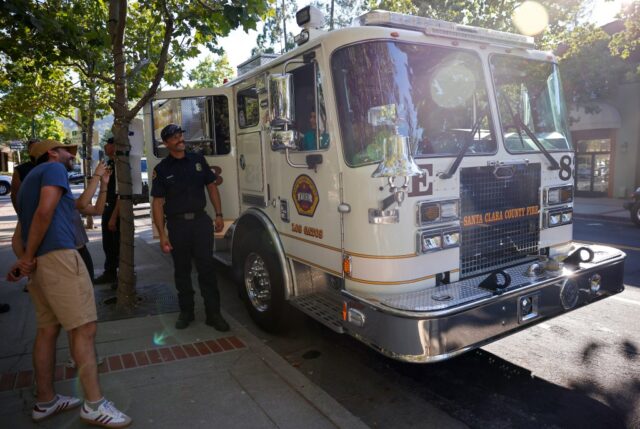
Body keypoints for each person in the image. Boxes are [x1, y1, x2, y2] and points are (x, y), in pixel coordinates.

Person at [7, 140, 131, 427]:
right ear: (52, 154)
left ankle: (46, 399)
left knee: (47, 330)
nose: (72, 156)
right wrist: (26, 259)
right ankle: (95, 404)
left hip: (42, 264)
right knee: (84, 328)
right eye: (68, 151)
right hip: (59, 258)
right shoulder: (52, 170)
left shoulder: (28, 185)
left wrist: (25, 259)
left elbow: (85, 208)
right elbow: (44, 213)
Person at [151, 124, 229, 332]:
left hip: (201, 223)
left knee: (207, 270)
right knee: (182, 271)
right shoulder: (162, 169)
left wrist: (219, 214)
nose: (179, 139)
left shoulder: (197, 160)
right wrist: (162, 234)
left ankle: (214, 314)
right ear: (166, 143)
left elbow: (211, 186)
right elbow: (157, 203)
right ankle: (187, 312)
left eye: (180, 135)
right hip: (177, 226)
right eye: (174, 137)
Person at [94, 138, 120, 287]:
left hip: (115, 210)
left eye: (110, 143)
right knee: (108, 244)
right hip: (107, 207)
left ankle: (121, 276)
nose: (105, 146)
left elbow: (121, 194)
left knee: (116, 245)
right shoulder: (109, 163)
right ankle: (110, 273)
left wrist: (113, 217)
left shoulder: (120, 166)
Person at [10, 139, 38, 211]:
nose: (35, 151)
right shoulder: (20, 170)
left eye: (38, 147)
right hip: (28, 211)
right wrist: (20, 214)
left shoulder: (50, 166)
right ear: (28, 151)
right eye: (32, 148)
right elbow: (15, 195)